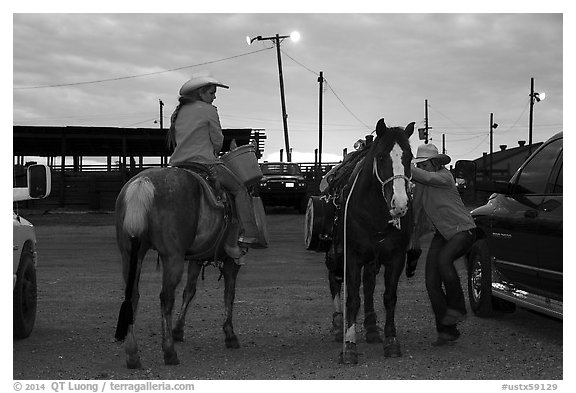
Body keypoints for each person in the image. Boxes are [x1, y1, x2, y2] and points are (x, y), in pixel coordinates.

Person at [168, 73, 263, 251]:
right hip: (205, 163)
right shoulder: (209, 110)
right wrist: (214, 150)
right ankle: (250, 233)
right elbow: (218, 140)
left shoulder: (178, 112)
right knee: (240, 190)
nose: (214, 96)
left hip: (178, 165)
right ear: (200, 93)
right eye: (211, 93)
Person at [411, 143, 476, 346]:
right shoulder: (423, 183)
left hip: (463, 230)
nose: (422, 168)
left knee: (444, 261)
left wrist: (406, 166)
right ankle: (446, 331)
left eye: (423, 164)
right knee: (431, 283)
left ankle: (457, 308)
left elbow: (428, 178)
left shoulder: (444, 177)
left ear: (434, 162)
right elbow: (417, 210)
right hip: (443, 234)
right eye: (419, 165)